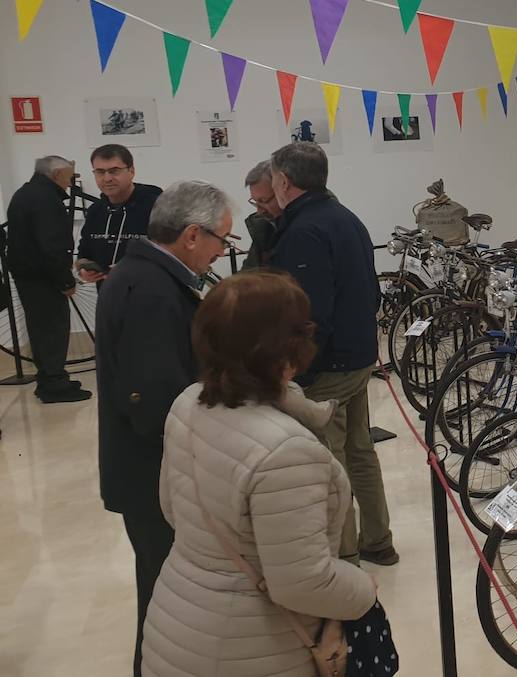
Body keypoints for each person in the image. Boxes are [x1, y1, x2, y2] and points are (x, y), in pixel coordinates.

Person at [140, 271, 377, 677]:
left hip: (176, 621)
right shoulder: (286, 453)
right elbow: (303, 583)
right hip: (253, 648)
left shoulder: (187, 404)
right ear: (287, 348)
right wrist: (363, 591)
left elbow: (172, 510)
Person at [96, 180, 234, 677]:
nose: (222, 252)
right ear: (192, 235)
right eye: (222, 239)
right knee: (164, 599)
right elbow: (157, 402)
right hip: (152, 473)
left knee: (165, 593)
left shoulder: (145, 276)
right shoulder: (151, 291)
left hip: (153, 470)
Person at [268, 142, 398, 566]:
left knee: (330, 459)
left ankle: (344, 556)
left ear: (284, 181)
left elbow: (310, 313)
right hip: (359, 354)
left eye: (272, 181)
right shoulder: (346, 217)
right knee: (360, 449)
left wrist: (297, 368)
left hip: (330, 365)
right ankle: (378, 540)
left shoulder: (304, 230)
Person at [5, 155, 89, 403]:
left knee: (42, 329)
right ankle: (54, 386)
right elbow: (51, 246)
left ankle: (50, 379)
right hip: (43, 277)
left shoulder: (27, 193)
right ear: (56, 175)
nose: (71, 181)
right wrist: (65, 281)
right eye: (70, 175)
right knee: (53, 330)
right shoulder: (45, 200)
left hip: (28, 275)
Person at [77, 144, 162, 283]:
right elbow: (83, 254)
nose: (107, 178)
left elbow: (174, 254)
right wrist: (83, 270)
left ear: (131, 171)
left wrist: (135, 269)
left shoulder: (157, 207)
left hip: (151, 295)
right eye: (100, 172)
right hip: (108, 296)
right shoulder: (95, 211)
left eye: (114, 171)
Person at [242, 160, 281, 269]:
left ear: (283, 190)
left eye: (264, 201)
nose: (259, 211)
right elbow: (250, 272)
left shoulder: (303, 228)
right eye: (255, 202)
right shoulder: (265, 227)